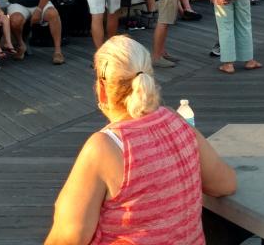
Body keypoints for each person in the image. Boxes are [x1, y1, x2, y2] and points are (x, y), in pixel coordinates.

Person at [44, 35, 236, 245]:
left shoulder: (104, 148)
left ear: (101, 88)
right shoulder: (177, 121)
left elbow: (66, 238)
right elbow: (225, 184)